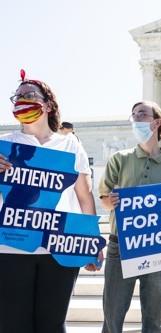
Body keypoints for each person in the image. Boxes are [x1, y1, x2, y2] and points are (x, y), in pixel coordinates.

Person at [0, 72, 98, 333]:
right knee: (12, 325)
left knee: (52, 325)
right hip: (11, 248)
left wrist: (90, 241)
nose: (22, 100)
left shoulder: (70, 145)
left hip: (59, 247)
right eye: (17, 97)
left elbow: (85, 196)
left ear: (48, 104)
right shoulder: (4, 145)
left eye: (29, 95)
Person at [99, 101, 161, 333]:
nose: (136, 118)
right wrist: (112, 201)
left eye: (142, 114)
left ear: (156, 122)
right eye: (133, 115)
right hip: (121, 246)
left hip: (157, 247)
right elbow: (104, 199)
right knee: (112, 316)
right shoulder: (120, 159)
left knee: (154, 319)